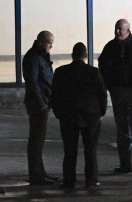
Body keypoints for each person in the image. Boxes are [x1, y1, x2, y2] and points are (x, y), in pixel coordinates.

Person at [98, 19, 132, 173]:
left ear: (128, 30)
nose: (117, 32)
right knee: (122, 127)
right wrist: (109, 85)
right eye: (116, 28)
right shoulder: (110, 47)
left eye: (120, 29)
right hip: (118, 92)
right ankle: (125, 164)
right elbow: (102, 65)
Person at [51, 42, 107, 190]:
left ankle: (69, 181)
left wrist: (58, 113)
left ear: (72, 55)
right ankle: (91, 181)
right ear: (86, 56)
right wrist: (101, 113)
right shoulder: (94, 72)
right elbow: (102, 94)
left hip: (68, 116)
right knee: (90, 150)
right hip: (90, 116)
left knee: (69, 150)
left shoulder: (60, 72)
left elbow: (54, 95)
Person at [22, 30, 59, 185]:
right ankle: (36, 175)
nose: (51, 46)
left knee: (39, 140)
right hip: (38, 105)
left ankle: (40, 173)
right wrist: (41, 103)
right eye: (50, 43)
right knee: (36, 140)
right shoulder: (33, 58)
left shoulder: (40, 56)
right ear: (42, 42)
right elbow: (32, 83)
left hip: (42, 103)